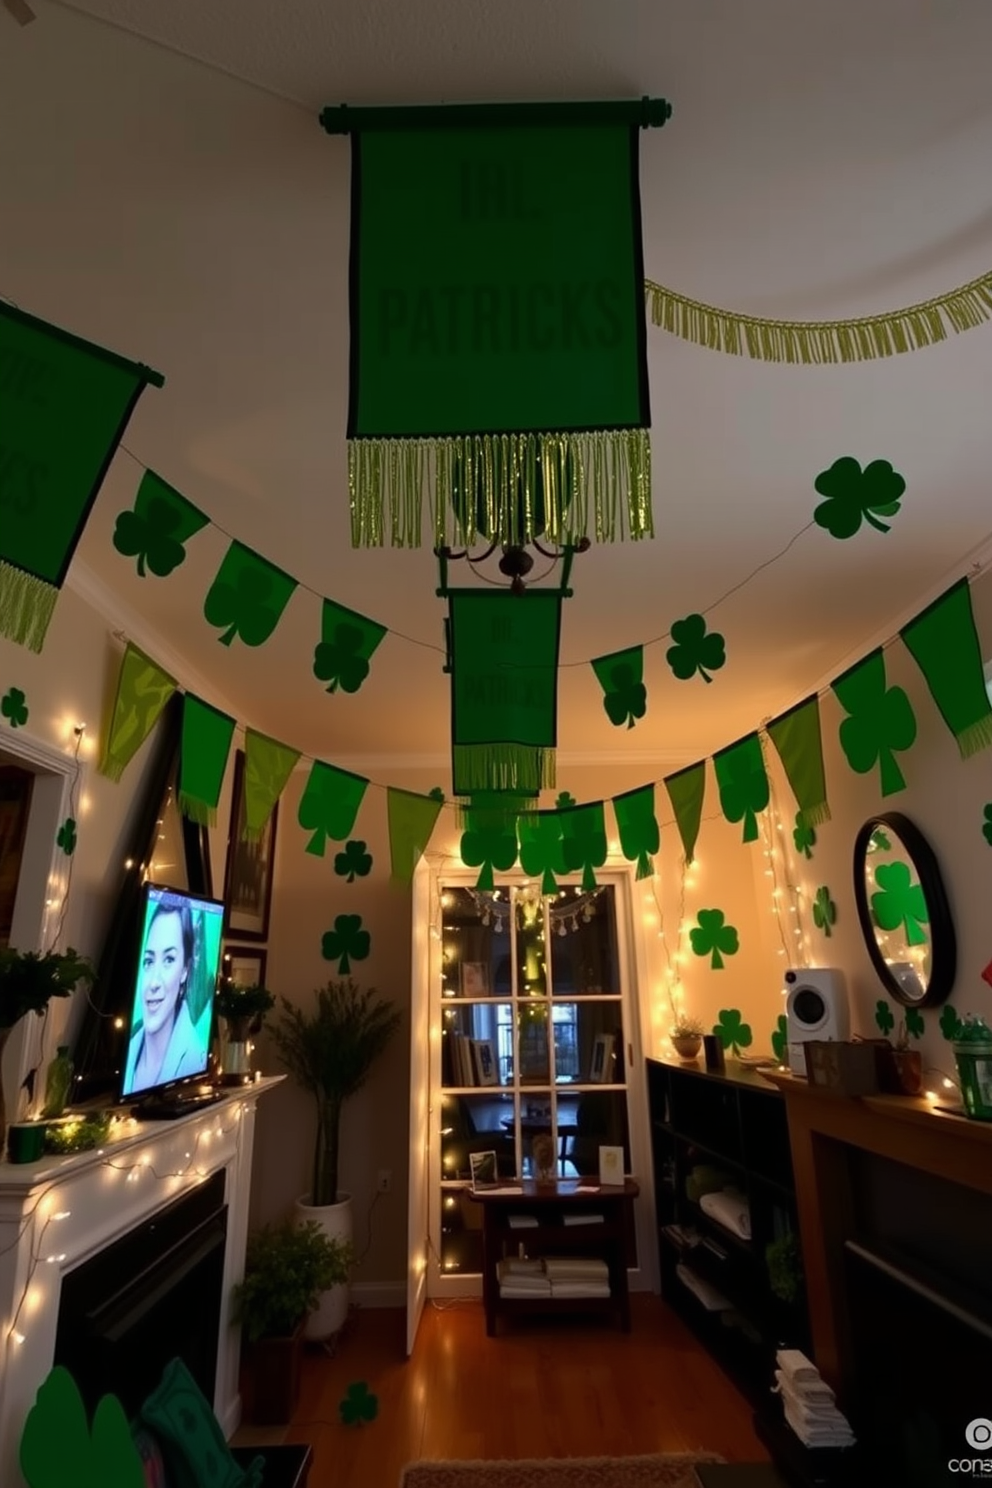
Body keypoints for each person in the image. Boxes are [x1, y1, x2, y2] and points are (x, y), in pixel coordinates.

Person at [123, 894, 208, 1096]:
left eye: (169, 959)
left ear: (185, 970)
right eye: (149, 961)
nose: (153, 983)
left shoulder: (196, 1058)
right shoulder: (131, 1046)